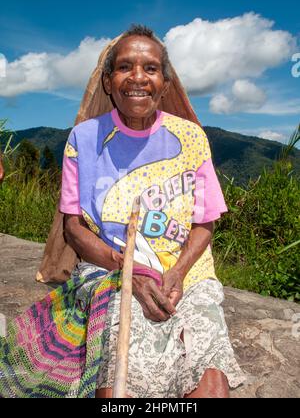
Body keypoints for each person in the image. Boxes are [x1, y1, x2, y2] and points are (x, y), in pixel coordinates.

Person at [0, 25, 245, 399]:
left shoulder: (191, 137)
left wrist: (177, 273)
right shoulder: (84, 139)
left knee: (210, 379)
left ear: (164, 83)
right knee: (118, 375)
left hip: (188, 275)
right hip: (110, 271)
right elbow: (74, 228)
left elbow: (205, 221)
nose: (137, 78)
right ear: (108, 81)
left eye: (150, 69)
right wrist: (129, 271)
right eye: (125, 67)